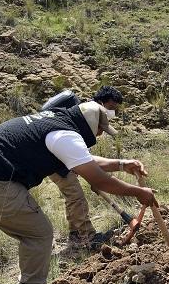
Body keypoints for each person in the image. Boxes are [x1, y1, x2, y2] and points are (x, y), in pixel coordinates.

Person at [0, 101, 156, 284]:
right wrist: (138, 192)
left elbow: (83, 160)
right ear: (89, 125)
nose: (99, 135)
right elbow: (98, 179)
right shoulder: (66, 136)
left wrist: (121, 163)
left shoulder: (53, 122)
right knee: (38, 233)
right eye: (100, 129)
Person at [43, 86, 127, 248]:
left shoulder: (89, 116)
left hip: (59, 160)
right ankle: (89, 238)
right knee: (76, 196)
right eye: (111, 107)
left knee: (73, 196)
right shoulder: (88, 115)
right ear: (101, 102)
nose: (112, 112)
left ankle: (75, 233)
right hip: (56, 161)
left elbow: (83, 156)